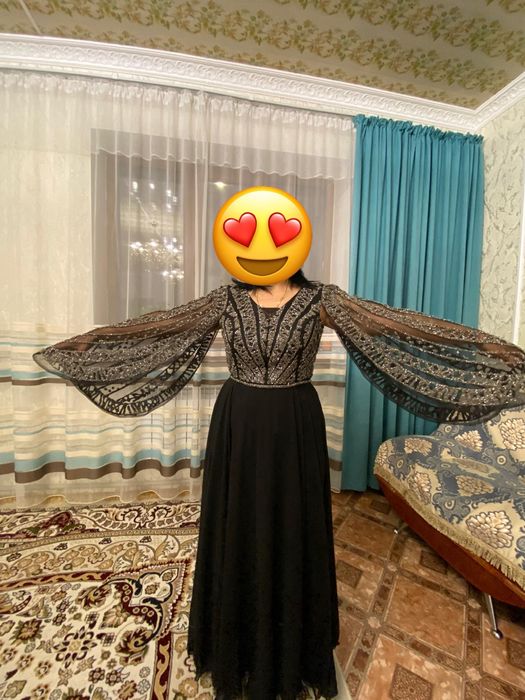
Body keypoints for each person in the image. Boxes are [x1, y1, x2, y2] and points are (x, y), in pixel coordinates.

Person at [32, 269, 525, 700]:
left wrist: (478, 348)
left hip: (294, 426)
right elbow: (165, 325)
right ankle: (237, 642)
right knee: (238, 525)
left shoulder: (320, 299)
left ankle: (290, 650)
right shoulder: (226, 298)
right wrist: (92, 342)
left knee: (291, 528)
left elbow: (390, 326)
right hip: (239, 423)